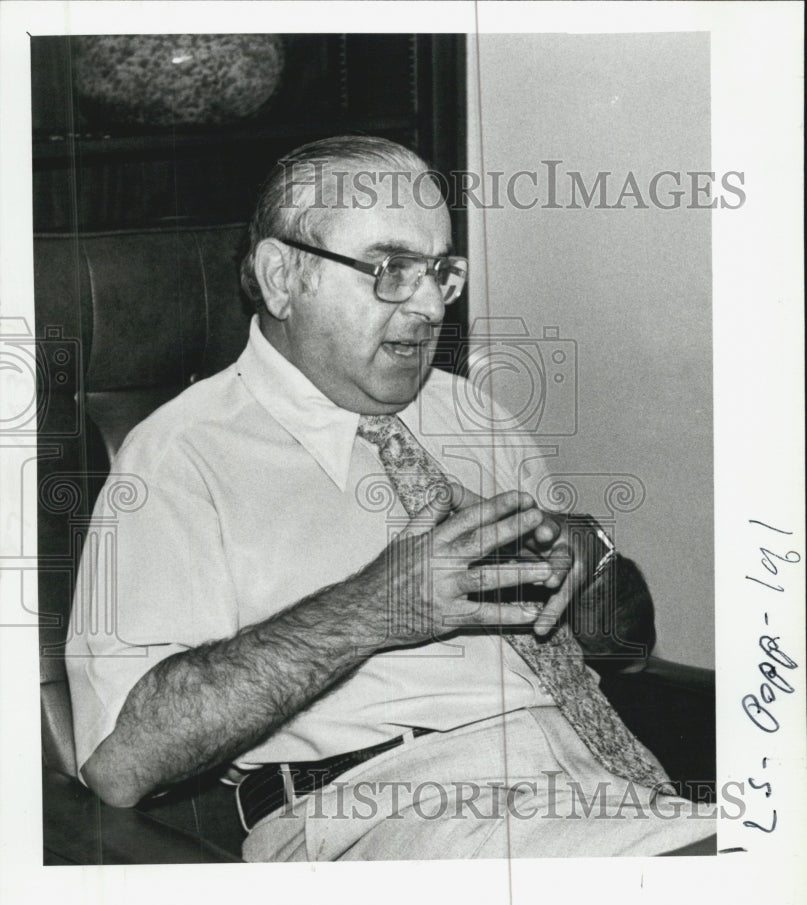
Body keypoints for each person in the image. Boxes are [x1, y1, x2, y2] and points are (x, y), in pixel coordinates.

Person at [65, 135, 715, 860]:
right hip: (384, 809)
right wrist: (375, 608)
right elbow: (120, 767)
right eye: (392, 269)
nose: (432, 304)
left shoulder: (470, 412)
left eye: (441, 272)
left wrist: (587, 558)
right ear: (282, 277)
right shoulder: (180, 456)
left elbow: (622, 648)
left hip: (598, 784)